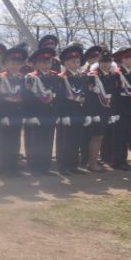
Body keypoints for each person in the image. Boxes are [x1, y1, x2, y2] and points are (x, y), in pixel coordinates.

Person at [23, 48, 58, 175]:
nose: (46, 65)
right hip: (36, 113)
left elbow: (58, 96)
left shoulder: (54, 76)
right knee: (35, 141)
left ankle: (45, 167)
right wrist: (30, 115)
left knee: (48, 140)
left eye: (48, 62)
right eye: (42, 62)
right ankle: (34, 167)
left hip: (50, 113)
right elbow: (27, 98)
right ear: (37, 63)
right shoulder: (31, 77)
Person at [55, 44, 89, 175]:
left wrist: (86, 114)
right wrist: (63, 115)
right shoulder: (61, 77)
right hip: (67, 113)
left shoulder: (81, 77)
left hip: (79, 112)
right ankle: (63, 166)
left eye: (78, 61)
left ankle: (74, 164)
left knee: (76, 140)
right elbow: (59, 98)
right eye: (72, 61)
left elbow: (85, 96)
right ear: (65, 63)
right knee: (65, 140)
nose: (76, 64)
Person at [0, 47, 27, 176]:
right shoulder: (0, 78)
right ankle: (3, 167)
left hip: (17, 114)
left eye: (18, 64)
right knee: (4, 141)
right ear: (6, 64)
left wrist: (24, 114)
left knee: (16, 140)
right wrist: (2, 115)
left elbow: (25, 98)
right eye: (12, 63)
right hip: (5, 114)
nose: (15, 66)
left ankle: (13, 166)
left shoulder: (22, 78)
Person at [111, 46, 131, 170]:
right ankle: (118, 161)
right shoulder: (117, 74)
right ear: (122, 60)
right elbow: (115, 94)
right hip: (121, 109)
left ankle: (123, 159)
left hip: (130, 109)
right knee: (119, 136)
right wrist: (115, 112)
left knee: (126, 136)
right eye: (128, 57)